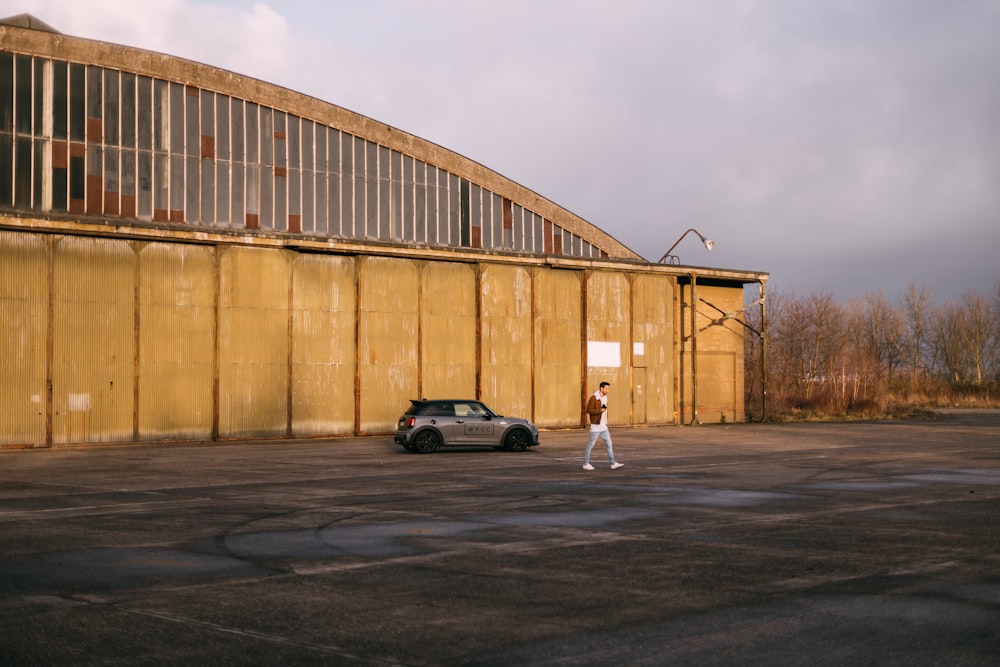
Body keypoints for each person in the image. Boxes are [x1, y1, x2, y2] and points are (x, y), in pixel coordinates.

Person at [582, 381, 623, 470]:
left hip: (603, 426)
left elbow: (604, 409)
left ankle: (613, 463)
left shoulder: (605, 397)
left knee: (609, 444)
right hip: (596, 427)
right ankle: (586, 464)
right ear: (601, 388)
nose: (608, 390)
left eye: (608, 389)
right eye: (606, 389)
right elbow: (588, 410)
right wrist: (599, 410)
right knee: (590, 445)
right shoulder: (594, 398)